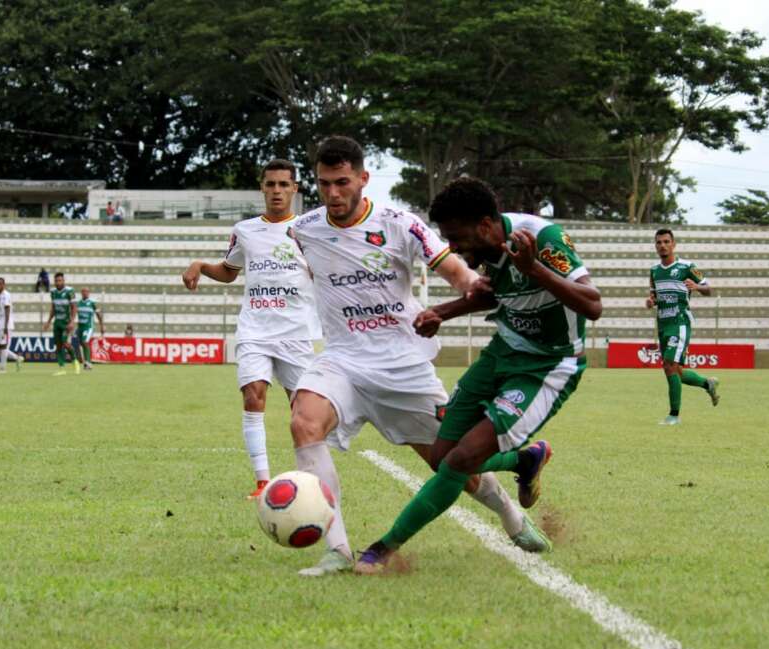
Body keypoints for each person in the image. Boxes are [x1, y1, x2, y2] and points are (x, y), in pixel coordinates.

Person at [288, 137, 546, 578]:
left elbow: (452, 267)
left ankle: (513, 501)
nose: (332, 193)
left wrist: (469, 286)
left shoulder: (398, 224)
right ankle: (338, 549)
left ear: (363, 179)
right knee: (303, 422)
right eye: (324, 183)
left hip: (402, 365)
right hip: (344, 360)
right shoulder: (304, 229)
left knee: (453, 464)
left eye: (342, 182)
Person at [354, 177, 602, 574]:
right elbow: (495, 293)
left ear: (486, 225)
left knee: (462, 460)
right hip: (502, 353)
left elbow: (593, 305)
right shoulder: (487, 247)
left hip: (546, 367)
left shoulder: (543, 239)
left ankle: (384, 548)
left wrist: (534, 269)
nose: (452, 248)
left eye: (457, 238)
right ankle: (524, 459)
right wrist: (443, 312)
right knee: (441, 457)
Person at [182, 159, 320, 500]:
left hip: (296, 332)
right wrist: (200, 264)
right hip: (255, 330)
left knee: (303, 411)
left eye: (283, 185)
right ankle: (262, 483)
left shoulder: (310, 229)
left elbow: (326, 275)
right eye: (271, 184)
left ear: (295, 189)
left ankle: (310, 481)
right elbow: (229, 272)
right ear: (262, 187)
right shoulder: (245, 230)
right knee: (253, 395)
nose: (276, 191)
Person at [645, 229, 719, 425]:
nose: (662, 245)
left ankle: (674, 415)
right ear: (655, 246)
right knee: (676, 370)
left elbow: (709, 289)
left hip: (680, 323)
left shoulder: (687, 267)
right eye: (659, 242)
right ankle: (707, 383)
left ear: (673, 244)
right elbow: (655, 296)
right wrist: (651, 301)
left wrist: (697, 287)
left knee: (669, 365)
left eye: (666, 241)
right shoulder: (654, 270)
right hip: (663, 324)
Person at [42, 272, 79, 376]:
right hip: (57, 322)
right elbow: (53, 308)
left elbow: (74, 307)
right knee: (58, 346)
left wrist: (72, 321)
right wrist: (48, 321)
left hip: (66, 323)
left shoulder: (69, 291)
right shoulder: (53, 292)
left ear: (63, 281)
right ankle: (62, 368)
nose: (58, 282)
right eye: (56, 281)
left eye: (60, 280)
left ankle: (75, 361)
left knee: (65, 343)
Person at [0, 277, 23, 374]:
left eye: (0, 284)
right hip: (1, 323)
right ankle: (17, 358)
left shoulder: (6, 295)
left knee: (4, 346)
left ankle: (2, 369)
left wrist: (5, 326)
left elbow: (7, 310)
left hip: (6, 324)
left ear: (4, 285)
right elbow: (1, 312)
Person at [74, 287, 105, 371]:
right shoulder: (78, 303)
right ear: (81, 293)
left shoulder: (92, 303)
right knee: (82, 344)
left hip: (88, 327)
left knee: (85, 342)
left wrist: (101, 326)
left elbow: (98, 314)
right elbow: (74, 313)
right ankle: (86, 362)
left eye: (87, 291)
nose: (85, 293)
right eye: (83, 291)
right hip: (80, 327)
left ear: (89, 293)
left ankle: (88, 362)